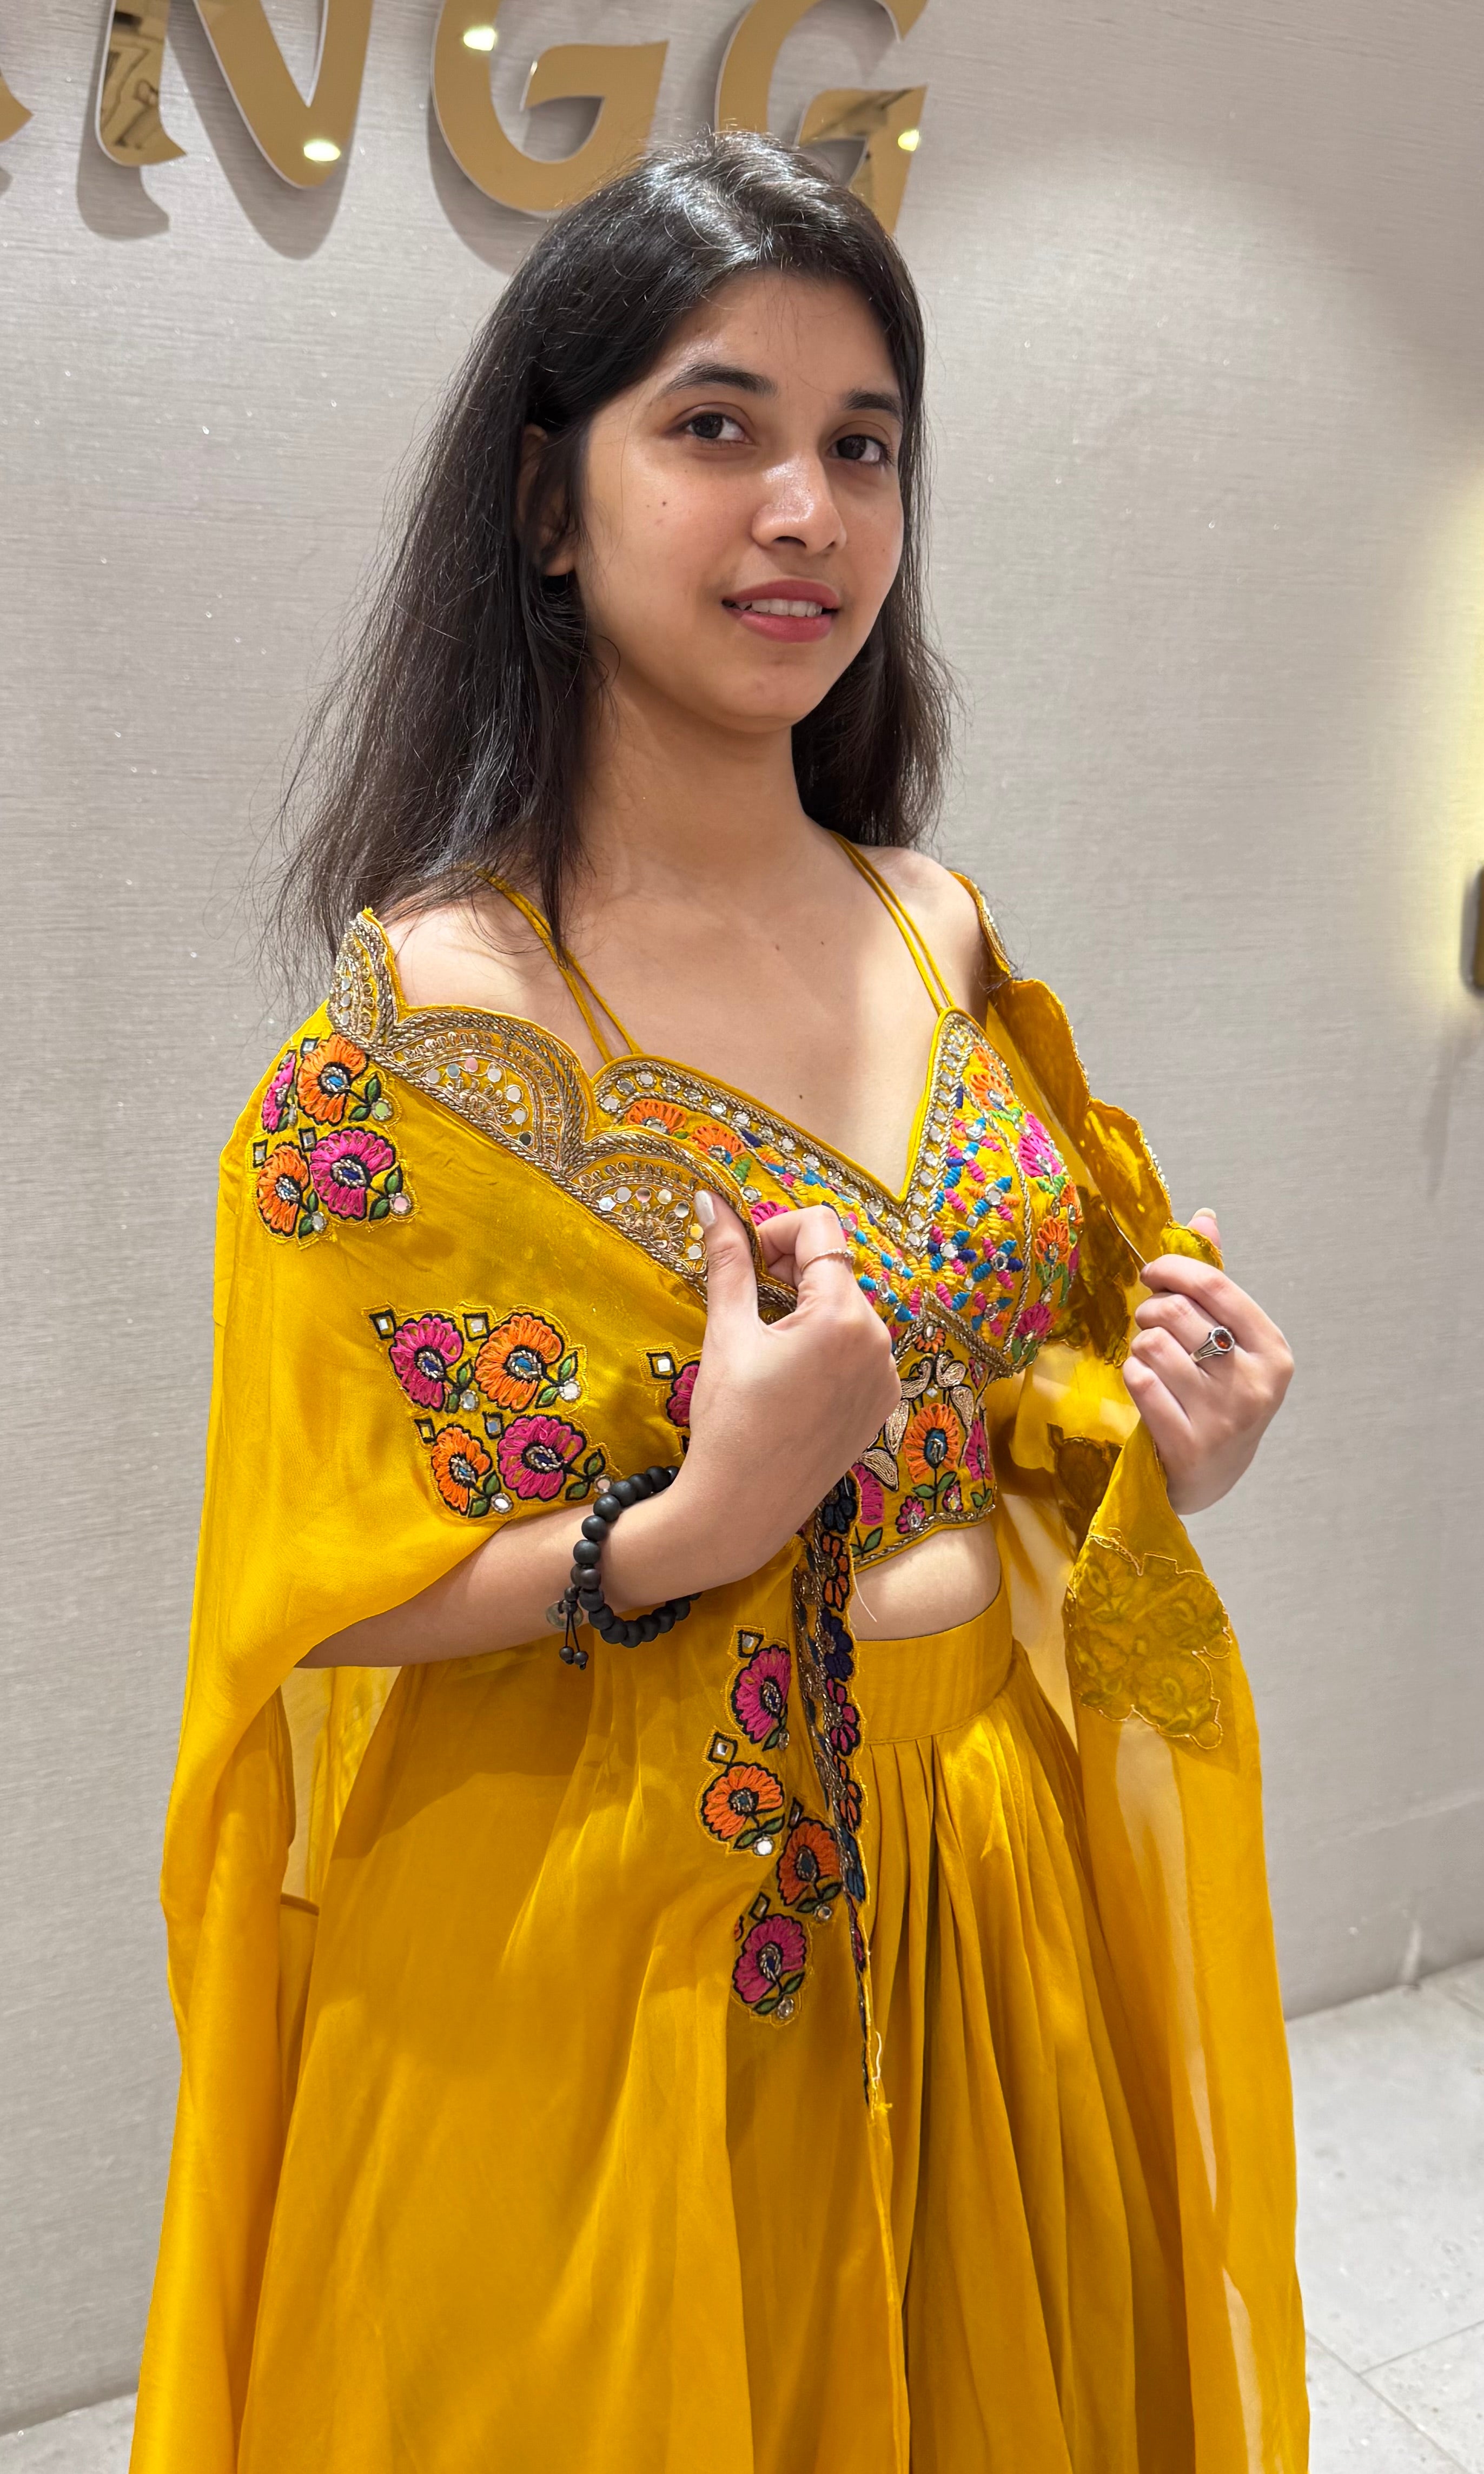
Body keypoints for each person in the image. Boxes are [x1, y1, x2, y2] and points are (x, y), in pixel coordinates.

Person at [130, 133, 1305, 2474]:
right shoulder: (419, 1041)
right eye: (715, 426)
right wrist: (686, 1527)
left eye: (861, 446)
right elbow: (307, 1581)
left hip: (990, 1902)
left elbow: (1024, 1374)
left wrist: (1163, 1429)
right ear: (549, 503)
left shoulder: (935, 931)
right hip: (614, 1967)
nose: (805, 510)